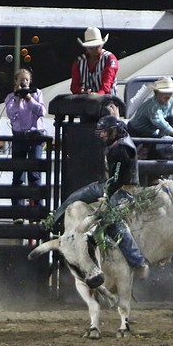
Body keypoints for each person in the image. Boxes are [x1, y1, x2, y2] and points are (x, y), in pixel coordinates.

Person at [47, 115, 149, 277]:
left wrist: (106, 195)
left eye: (105, 132)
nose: (102, 135)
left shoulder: (121, 148)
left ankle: (137, 261)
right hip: (111, 185)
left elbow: (117, 179)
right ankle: (53, 221)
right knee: (77, 196)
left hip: (124, 190)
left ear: (114, 131)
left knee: (111, 220)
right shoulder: (118, 141)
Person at [4, 68, 47, 213]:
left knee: (34, 175)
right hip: (19, 137)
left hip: (35, 136)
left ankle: (37, 211)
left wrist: (29, 99)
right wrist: (17, 99)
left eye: (26, 80)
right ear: (16, 81)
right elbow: (11, 115)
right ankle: (18, 211)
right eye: (21, 80)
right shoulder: (10, 97)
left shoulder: (37, 94)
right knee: (18, 174)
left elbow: (42, 111)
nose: (24, 83)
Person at [127, 76, 173, 160]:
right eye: (164, 92)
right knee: (133, 157)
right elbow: (159, 121)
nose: (168, 95)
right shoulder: (153, 105)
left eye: (170, 92)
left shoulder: (170, 101)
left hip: (152, 133)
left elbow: (167, 118)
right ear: (157, 92)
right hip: (136, 133)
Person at [71, 27, 119, 95]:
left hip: (109, 100)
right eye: (91, 47)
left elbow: (107, 82)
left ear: (102, 45)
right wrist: (81, 91)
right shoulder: (78, 62)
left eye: (97, 46)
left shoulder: (110, 59)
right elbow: (74, 86)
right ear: (86, 48)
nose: (94, 50)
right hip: (85, 101)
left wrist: (98, 95)